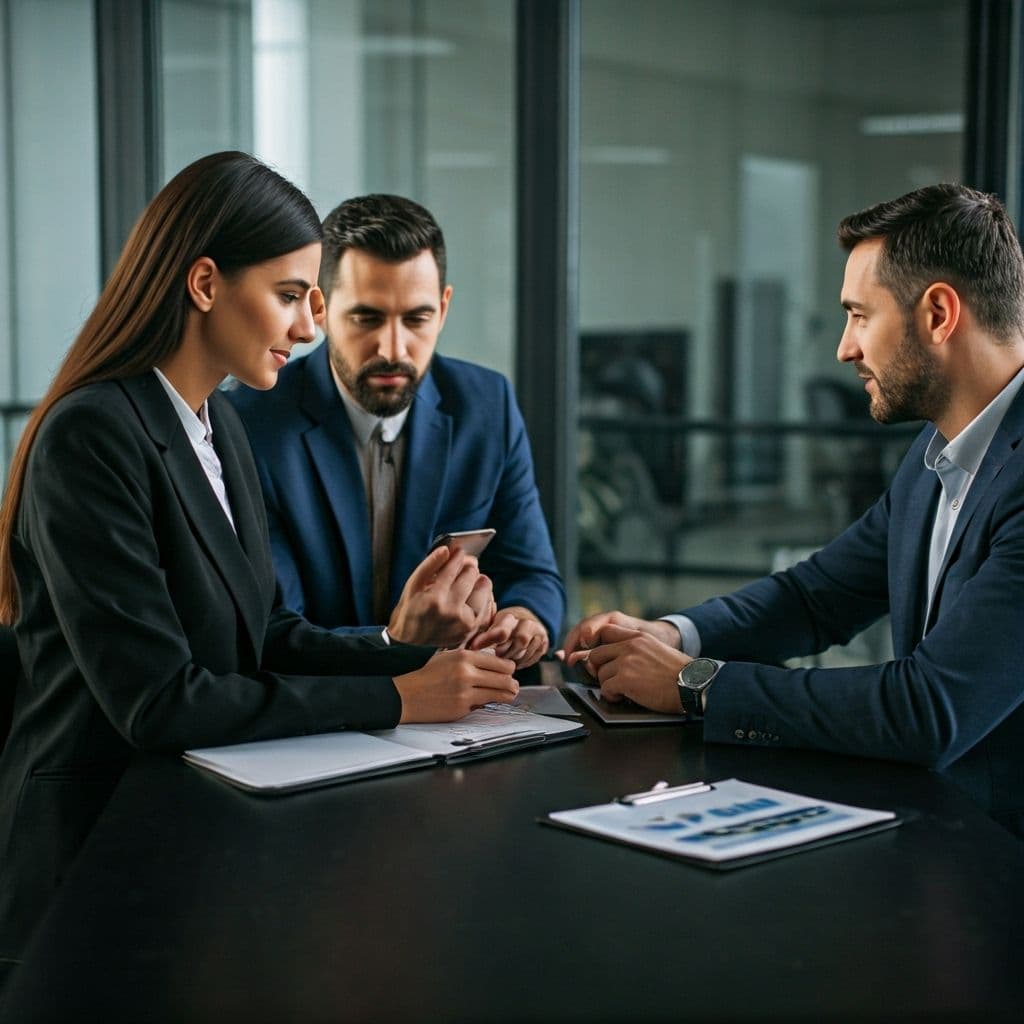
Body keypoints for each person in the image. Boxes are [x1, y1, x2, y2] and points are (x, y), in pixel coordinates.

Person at [0, 152, 518, 972]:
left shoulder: (221, 426)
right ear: (205, 284)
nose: (309, 328)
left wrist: (399, 648)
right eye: (288, 297)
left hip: (198, 831)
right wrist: (395, 699)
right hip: (94, 855)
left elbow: (264, 630)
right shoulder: (92, 434)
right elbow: (161, 702)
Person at [563, 183, 1024, 838]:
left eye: (861, 315)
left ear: (939, 314)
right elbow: (816, 597)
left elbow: (931, 709)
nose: (845, 348)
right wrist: (672, 637)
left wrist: (697, 683)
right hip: (941, 844)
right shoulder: (938, 453)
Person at [227, 194, 564, 670]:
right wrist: (395, 641)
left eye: (416, 318)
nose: (393, 347)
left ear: (443, 309)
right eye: (367, 318)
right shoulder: (248, 422)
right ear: (319, 309)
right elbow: (277, 629)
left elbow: (533, 573)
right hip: (324, 715)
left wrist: (524, 618)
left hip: (466, 714)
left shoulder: (488, 405)